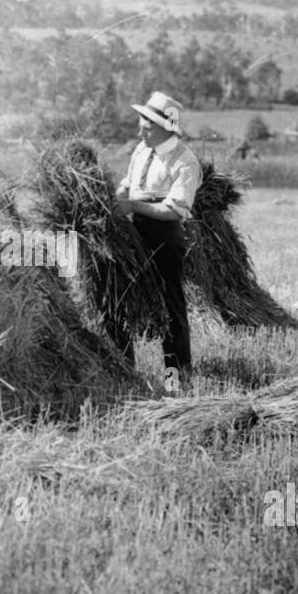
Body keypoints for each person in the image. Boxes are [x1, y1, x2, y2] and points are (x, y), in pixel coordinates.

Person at [113, 91, 202, 385]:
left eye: (147, 126)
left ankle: (175, 380)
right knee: (121, 301)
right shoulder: (141, 150)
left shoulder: (185, 162)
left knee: (169, 309)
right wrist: (115, 199)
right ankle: (125, 375)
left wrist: (134, 206)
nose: (141, 130)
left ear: (167, 128)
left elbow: (175, 209)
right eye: (141, 123)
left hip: (163, 236)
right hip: (133, 233)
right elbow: (128, 184)